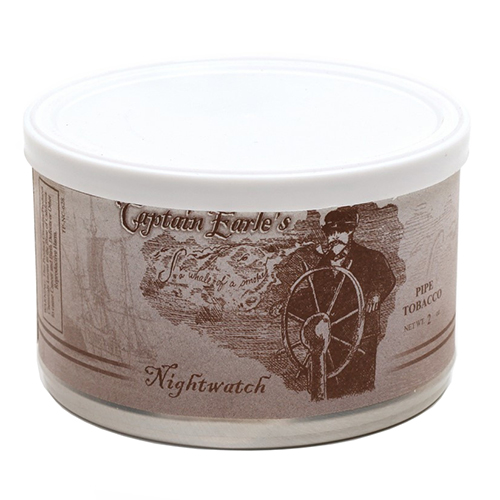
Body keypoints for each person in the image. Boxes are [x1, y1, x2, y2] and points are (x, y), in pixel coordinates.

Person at [286, 206, 396, 398]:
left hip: (360, 336)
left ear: (351, 231)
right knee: (330, 387)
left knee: (358, 386)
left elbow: (387, 279)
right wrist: (288, 304)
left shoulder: (371, 258)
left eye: (340, 231)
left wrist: (376, 294)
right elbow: (315, 296)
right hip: (331, 336)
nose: (334, 237)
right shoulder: (323, 265)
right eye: (330, 233)